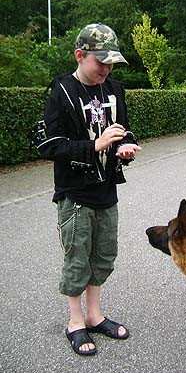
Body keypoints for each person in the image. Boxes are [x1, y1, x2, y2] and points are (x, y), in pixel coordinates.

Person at [36, 23, 142, 356]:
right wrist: (95, 145)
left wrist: (126, 146)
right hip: (75, 195)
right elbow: (50, 145)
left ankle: (95, 315)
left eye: (111, 64)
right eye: (101, 63)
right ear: (80, 56)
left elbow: (124, 131)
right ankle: (75, 322)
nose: (107, 70)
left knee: (102, 256)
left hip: (106, 191)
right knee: (77, 259)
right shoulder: (61, 91)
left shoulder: (114, 89)